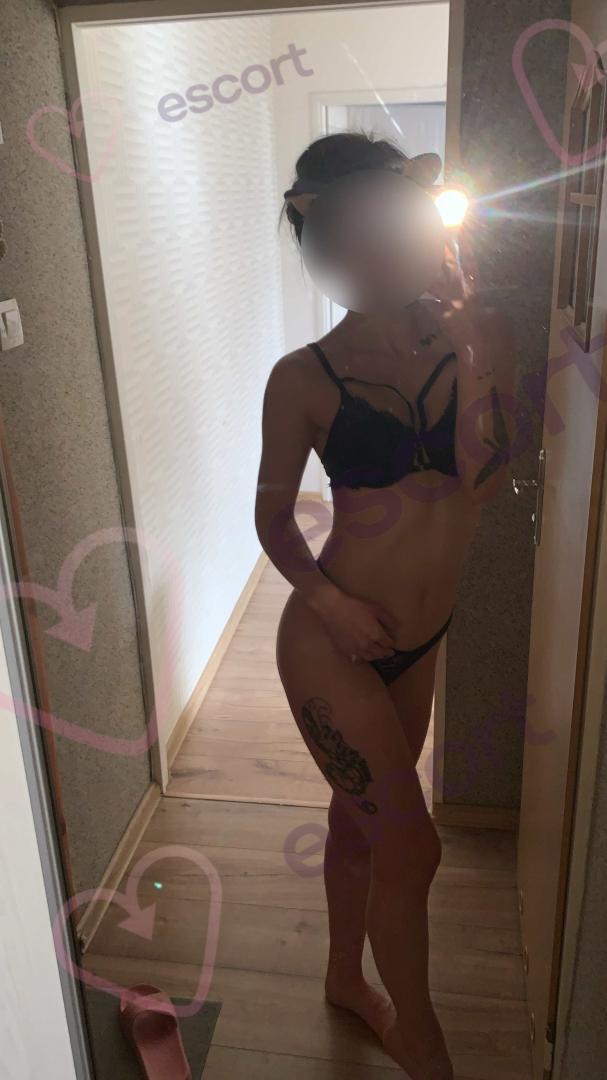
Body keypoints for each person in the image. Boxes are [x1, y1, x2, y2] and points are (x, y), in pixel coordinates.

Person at [254, 132, 515, 1080]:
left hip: (422, 635)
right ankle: (419, 1039)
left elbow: (484, 482)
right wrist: (326, 602)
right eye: (338, 244)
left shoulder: (472, 336)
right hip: (333, 641)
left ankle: (342, 978)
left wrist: (478, 344)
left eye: (380, 235)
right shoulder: (302, 377)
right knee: (412, 849)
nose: (361, 261)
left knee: (357, 821)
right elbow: (271, 517)